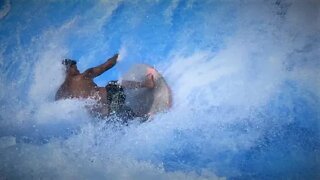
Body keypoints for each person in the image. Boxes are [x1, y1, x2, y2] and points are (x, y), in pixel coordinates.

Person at [55, 53, 155, 119]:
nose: (78, 70)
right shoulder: (83, 76)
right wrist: (120, 54)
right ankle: (147, 84)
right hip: (113, 101)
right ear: (68, 70)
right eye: (75, 68)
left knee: (124, 118)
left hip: (102, 117)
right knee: (114, 84)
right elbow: (106, 65)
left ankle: (138, 118)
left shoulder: (60, 93)